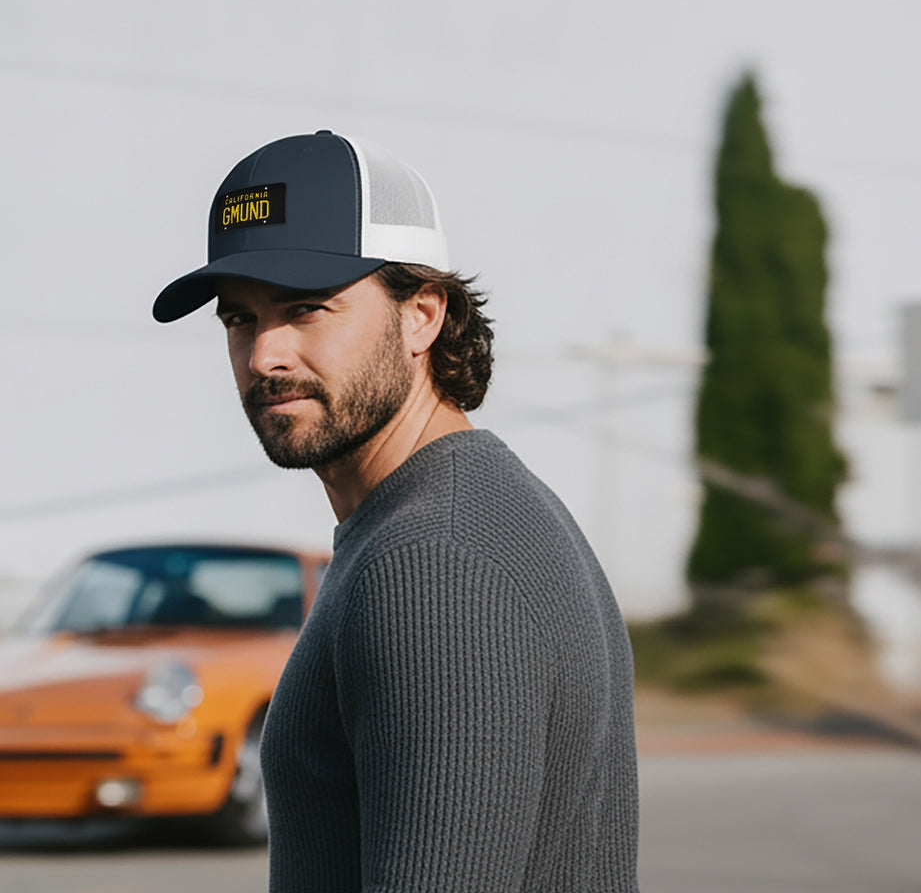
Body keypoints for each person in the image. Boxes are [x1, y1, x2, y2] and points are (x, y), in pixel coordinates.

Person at [154, 131, 639, 892]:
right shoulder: (460, 515)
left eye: (306, 308)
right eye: (239, 318)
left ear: (422, 315)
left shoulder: (437, 562)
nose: (263, 356)